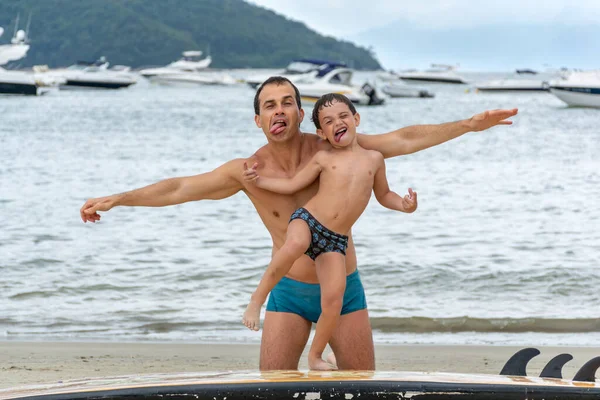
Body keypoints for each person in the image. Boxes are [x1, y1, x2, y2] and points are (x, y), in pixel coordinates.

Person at [80, 76, 518, 370]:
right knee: (273, 388)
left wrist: (466, 124)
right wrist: (119, 199)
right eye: (269, 105)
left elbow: (401, 139)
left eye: (287, 102)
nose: (279, 110)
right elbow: (180, 189)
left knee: (361, 388)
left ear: (298, 111)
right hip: (287, 293)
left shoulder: (333, 147)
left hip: (342, 287)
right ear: (258, 119)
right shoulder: (246, 171)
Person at [241, 93, 417, 370]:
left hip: (335, 240)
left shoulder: (374, 159)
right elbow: (291, 185)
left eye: (343, 116)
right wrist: (259, 180)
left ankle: (316, 356)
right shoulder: (323, 158)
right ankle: (256, 300)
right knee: (292, 247)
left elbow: (384, 195)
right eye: (328, 121)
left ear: (356, 119)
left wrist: (404, 205)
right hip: (309, 221)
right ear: (322, 133)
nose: (338, 123)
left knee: (334, 300)